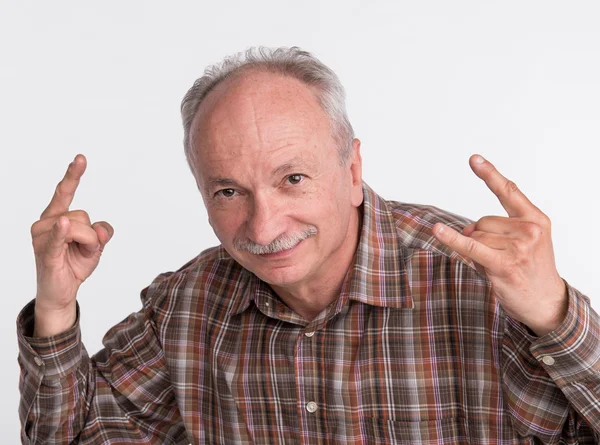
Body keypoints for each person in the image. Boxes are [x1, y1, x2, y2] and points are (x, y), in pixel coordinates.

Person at [18, 47, 599, 444]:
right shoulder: (187, 305)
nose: (265, 227)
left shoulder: (478, 280)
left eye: (292, 178)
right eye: (228, 190)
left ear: (352, 170)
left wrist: (553, 313)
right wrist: (55, 308)